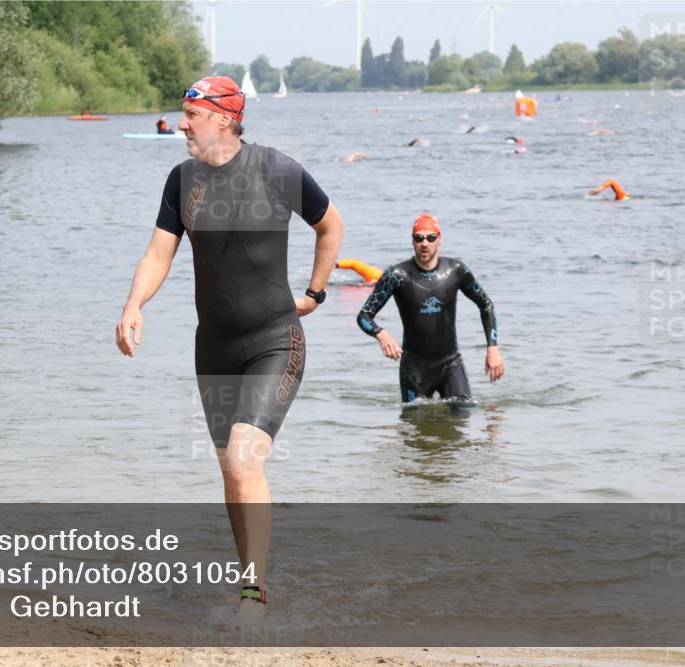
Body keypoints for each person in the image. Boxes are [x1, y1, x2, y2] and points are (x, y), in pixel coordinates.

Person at [115, 76, 344, 624]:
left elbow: (331, 225)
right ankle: (250, 581)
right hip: (212, 348)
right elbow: (157, 254)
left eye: (190, 115)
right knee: (231, 471)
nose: (182, 124)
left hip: (274, 341)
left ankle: (253, 596)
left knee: (243, 463)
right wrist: (133, 305)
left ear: (223, 117)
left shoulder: (277, 169)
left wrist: (314, 293)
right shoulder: (181, 180)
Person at [356, 213, 504, 408]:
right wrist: (380, 334)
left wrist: (492, 348)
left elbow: (486, 305)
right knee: (413, 431)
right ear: (413, 241)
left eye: (430, 238)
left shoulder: (456, 271)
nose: (424, 243)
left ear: (439, 239)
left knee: (464, 417)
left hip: (450, 364)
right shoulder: (397, 276)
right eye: (419, 238)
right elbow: (364, 315)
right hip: (414, 369)